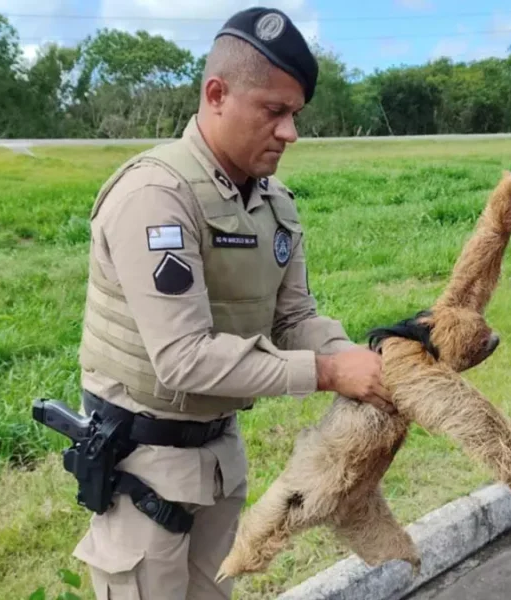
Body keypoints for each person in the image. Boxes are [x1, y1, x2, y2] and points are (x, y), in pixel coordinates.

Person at [70, 6, 394, 599]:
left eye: (294, 114)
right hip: (144, 467)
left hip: (218, 458)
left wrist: (360, 362)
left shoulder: (274, 203)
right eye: (274, 111)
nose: (290, 132)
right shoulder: (156, 196)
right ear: (217, 94)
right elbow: (183, 358)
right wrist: (327, 373)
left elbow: (293, 317)